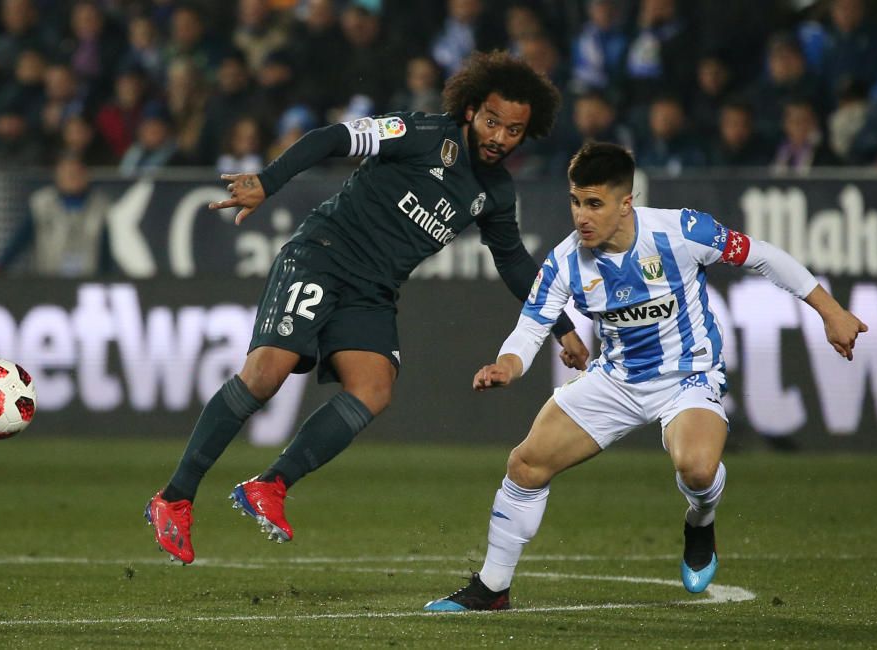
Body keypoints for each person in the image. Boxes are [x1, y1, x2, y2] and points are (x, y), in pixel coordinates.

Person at [144, 50, 589, 564]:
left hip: (373, 289)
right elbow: (333, 137)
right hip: (323, 255)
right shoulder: (422, 133)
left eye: (513, 130)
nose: (499, 137)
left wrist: (560, 326)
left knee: (374, 389)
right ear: (470, 110)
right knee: (266, 375)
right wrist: (268, 181)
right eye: (492, 121)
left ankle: (270, 485)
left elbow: (513, 263)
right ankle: (174, 497)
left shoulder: (494, 191)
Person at [423, 142, 867, 611]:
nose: (582, 217)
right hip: (616, 380)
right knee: (526, 464)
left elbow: (764, 256)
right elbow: (531, 327)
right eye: (575, 202)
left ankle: (700, 520)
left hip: (688, 377)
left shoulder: (681, 231)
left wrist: (830, 310)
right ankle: (493, 588)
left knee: (696, 469)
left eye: (594, 204)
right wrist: (507, 366)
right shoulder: (565, 261)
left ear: (626, 202)